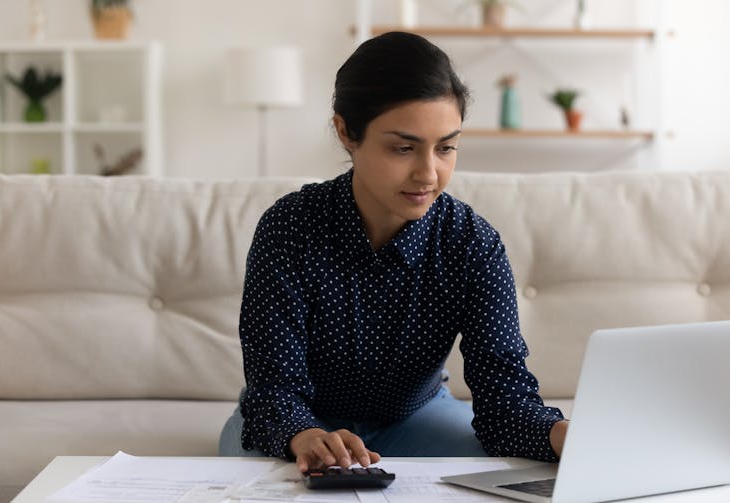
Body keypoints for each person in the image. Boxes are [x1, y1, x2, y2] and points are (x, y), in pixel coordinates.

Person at [219, 31, 568, 472]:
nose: (428, 174)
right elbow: (274, 388)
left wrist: (564, 435)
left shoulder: (473, 244)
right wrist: (303, 435)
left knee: (508, 475)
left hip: (416, 418)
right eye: (403, 148)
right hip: (298, 424)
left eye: (446, 148)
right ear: (346, 131)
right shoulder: (290, 228)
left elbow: (505, 402)